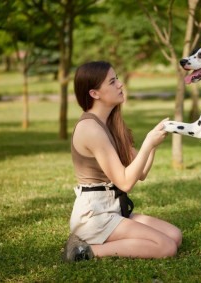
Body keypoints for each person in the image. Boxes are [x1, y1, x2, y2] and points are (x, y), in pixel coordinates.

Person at [63, 61, 182, 262]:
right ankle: (84, 250)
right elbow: (125, 182)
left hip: (113, 209)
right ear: (94, 93)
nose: (120, 84)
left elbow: (140, 173)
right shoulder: (90, 129)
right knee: (166, 247)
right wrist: (147, 143)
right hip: (95, 216)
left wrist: (152, 144)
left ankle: (92, 243)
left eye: (117, 78)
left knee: (175, 236)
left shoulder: (110, 124)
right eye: (112, 81)